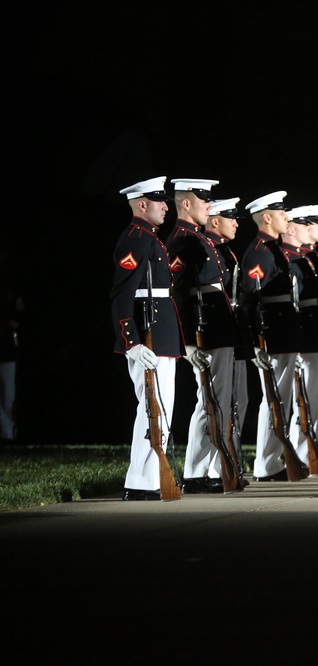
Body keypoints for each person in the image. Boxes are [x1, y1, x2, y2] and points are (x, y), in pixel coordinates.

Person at [111, 176, 185, 501]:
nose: (167, 206)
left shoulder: (149, 238)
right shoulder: (136, 239)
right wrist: (131, 341)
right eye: (160, 201)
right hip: (147, 337)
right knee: (152, 407)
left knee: (159, 407)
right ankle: (141, 480)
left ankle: (150, 477)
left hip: (161, 335)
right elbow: (122, 294)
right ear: (142, 204)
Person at [166, 177, 239, 495]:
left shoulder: (198, 239)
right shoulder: (183, 240)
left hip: (218, 329)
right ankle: (196, 471)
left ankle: (208, 467)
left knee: (217, 401)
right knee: (207, 401)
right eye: (203, 199)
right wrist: (190, 341)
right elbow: (179, 294)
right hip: (205, 332)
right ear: (186, 203)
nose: (209, 205)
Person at [239, 190, 306, 482]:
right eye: (281, 214)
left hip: (284, 333)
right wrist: (255, 342)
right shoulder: (259, 252)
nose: (286, 218)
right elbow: (250, 301)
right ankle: (266, 463)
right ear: (266, 217)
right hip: (273, 335)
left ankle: (273, 460)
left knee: (282, 400)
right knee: (274, 400)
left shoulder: (273, 249)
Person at [203, 197, 254, 479]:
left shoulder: (223, 251)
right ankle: (207, 469)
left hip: (231, 333)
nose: (235, 223)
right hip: (215, 334)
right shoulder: (206, 248)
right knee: (215, 402)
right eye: (230, 218)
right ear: (214, 221)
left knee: (237, 400)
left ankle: (225, 462)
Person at [283, 204, 318, 474]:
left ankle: (306, 451)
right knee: (303, 400)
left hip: (317, 337)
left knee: (311, 399)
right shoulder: (290, 260)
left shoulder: (309, 258)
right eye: (309, 223)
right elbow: (296, 306)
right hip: (306, 339)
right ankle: (299, 453)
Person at [0, 252, 24, 443]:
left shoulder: (13, 295)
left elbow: (18, 321)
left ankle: (9, 434)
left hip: (7, 353)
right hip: (6, 351)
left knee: (9, 397)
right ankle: (7, 432)